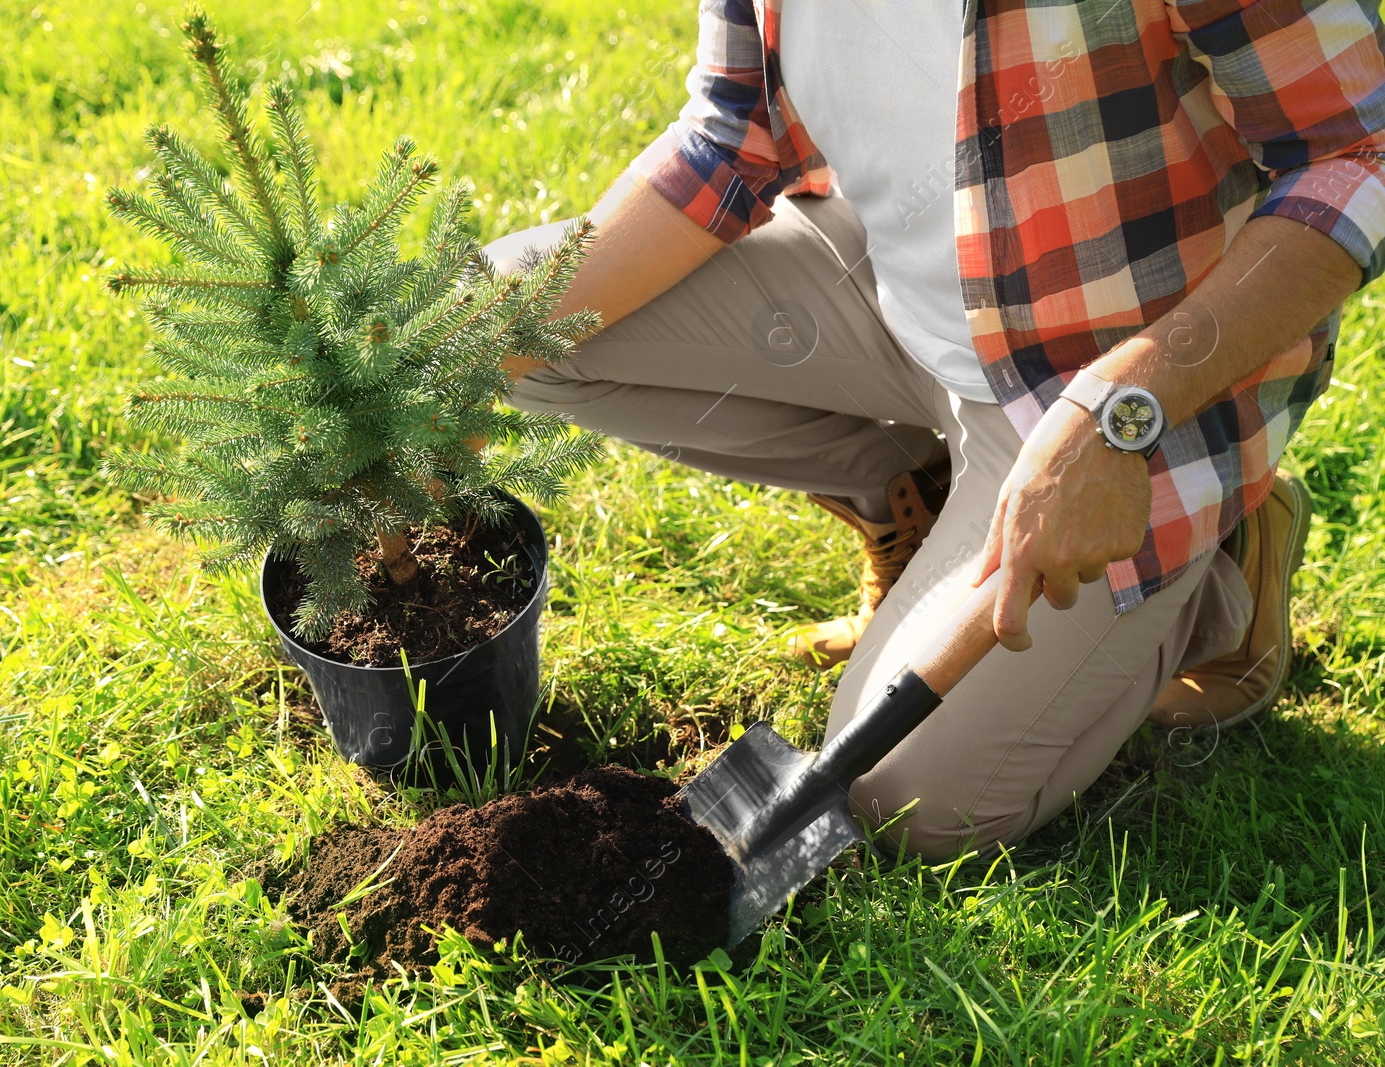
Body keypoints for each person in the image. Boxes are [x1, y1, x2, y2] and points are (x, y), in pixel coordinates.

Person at [485, 0, 1385, 860]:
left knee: (901, 797)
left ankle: (1223, 568)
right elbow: (731, 134)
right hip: (890, 292)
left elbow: (1361, 150)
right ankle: (936, 500)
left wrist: (1122, 411)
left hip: (1120, 389)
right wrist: (438, 373)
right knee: (500, 321)